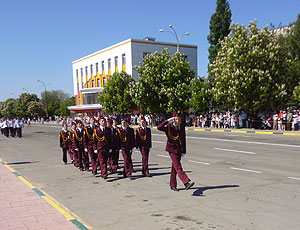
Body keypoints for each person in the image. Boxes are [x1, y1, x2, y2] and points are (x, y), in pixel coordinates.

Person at [157, 112, 194, 192]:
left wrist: (184, 150)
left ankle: (173, 185)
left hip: (179, 149)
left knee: (174, 168)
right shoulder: (169, 127)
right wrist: (167, 121)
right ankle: (186, 182)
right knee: (178, 167)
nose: (179, 120)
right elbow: (159, 127)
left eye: (179, 119)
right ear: (173, 120)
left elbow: (183, 139)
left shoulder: (181, 127)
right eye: (176, 119)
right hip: (172, 149)